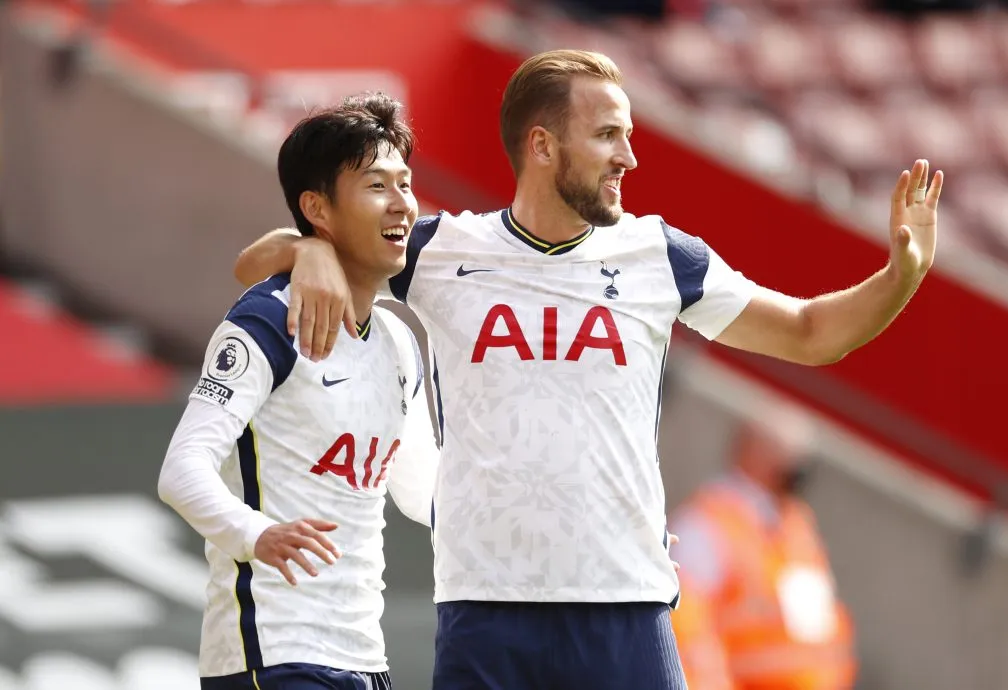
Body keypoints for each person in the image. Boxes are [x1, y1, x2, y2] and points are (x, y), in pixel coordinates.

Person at [232, 50, 942, 690]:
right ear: (542, 146)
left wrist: (901, 275)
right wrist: (315, 251)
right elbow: (257, 261)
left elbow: (812, 334)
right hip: (487, 611)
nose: (629, 157)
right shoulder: (441, 250)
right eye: (608, 135)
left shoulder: (661, 256)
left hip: (625, 610)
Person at [158, 93, 439, 690]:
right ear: (318, 207)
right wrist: (258, 534)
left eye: (406, 183)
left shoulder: (397, 338)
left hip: (364, 655)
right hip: (273, 651)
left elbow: (423, 492)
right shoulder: (266, 320)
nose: (402, 205)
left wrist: (563, 519)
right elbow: (182, 470)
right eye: (376, 186)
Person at [668, 409, 856, 690]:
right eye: (787, 454)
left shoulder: (796, 527)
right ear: (751, 451)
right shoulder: (707, 524)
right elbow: (687, 634)